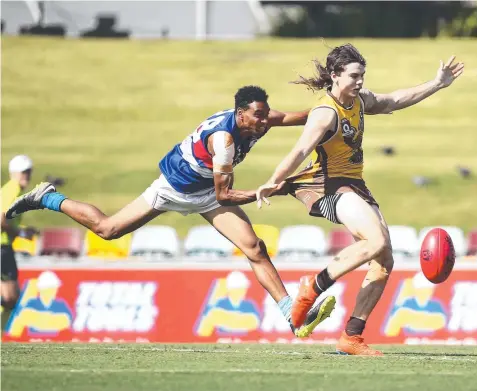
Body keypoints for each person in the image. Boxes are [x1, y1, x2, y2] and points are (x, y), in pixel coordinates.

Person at [6, 86, 335, 337]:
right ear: (240, 114)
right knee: (108, 230)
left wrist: (337, 104)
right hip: (175, 188)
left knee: (254, 247)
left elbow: (304, 116)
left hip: (207, 192)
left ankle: (292, 314)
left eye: (266, 115)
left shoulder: (258, 120)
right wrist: (270, 189)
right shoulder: (223, 140)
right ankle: (48, 197)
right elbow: (227, 193)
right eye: (258, 117)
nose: (265, 122)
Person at [256, 45, 464, 355]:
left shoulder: (360, 101)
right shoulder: (326, 113)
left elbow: (394, 99)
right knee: (375, 240)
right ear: (336, 75)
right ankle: (311, 288)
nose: (360, 82)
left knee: (384, 261)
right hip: (329, 185)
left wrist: (436, 84)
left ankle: (351, 336)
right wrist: (274, 179)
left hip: (354, 185)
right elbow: (299, 151)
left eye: (362, 76)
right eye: (354, 76)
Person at [1, 155, 38, 330]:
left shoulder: (11, 190)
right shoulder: (12, 190)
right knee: (10, 298)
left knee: (11, 298)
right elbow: (1, 219)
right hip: (2, 247)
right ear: (13, 173)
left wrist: (23, 231)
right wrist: (18, 232)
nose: (27, 176)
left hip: (5, 247)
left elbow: (8, 220)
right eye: (24, 172)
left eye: (29, 171)